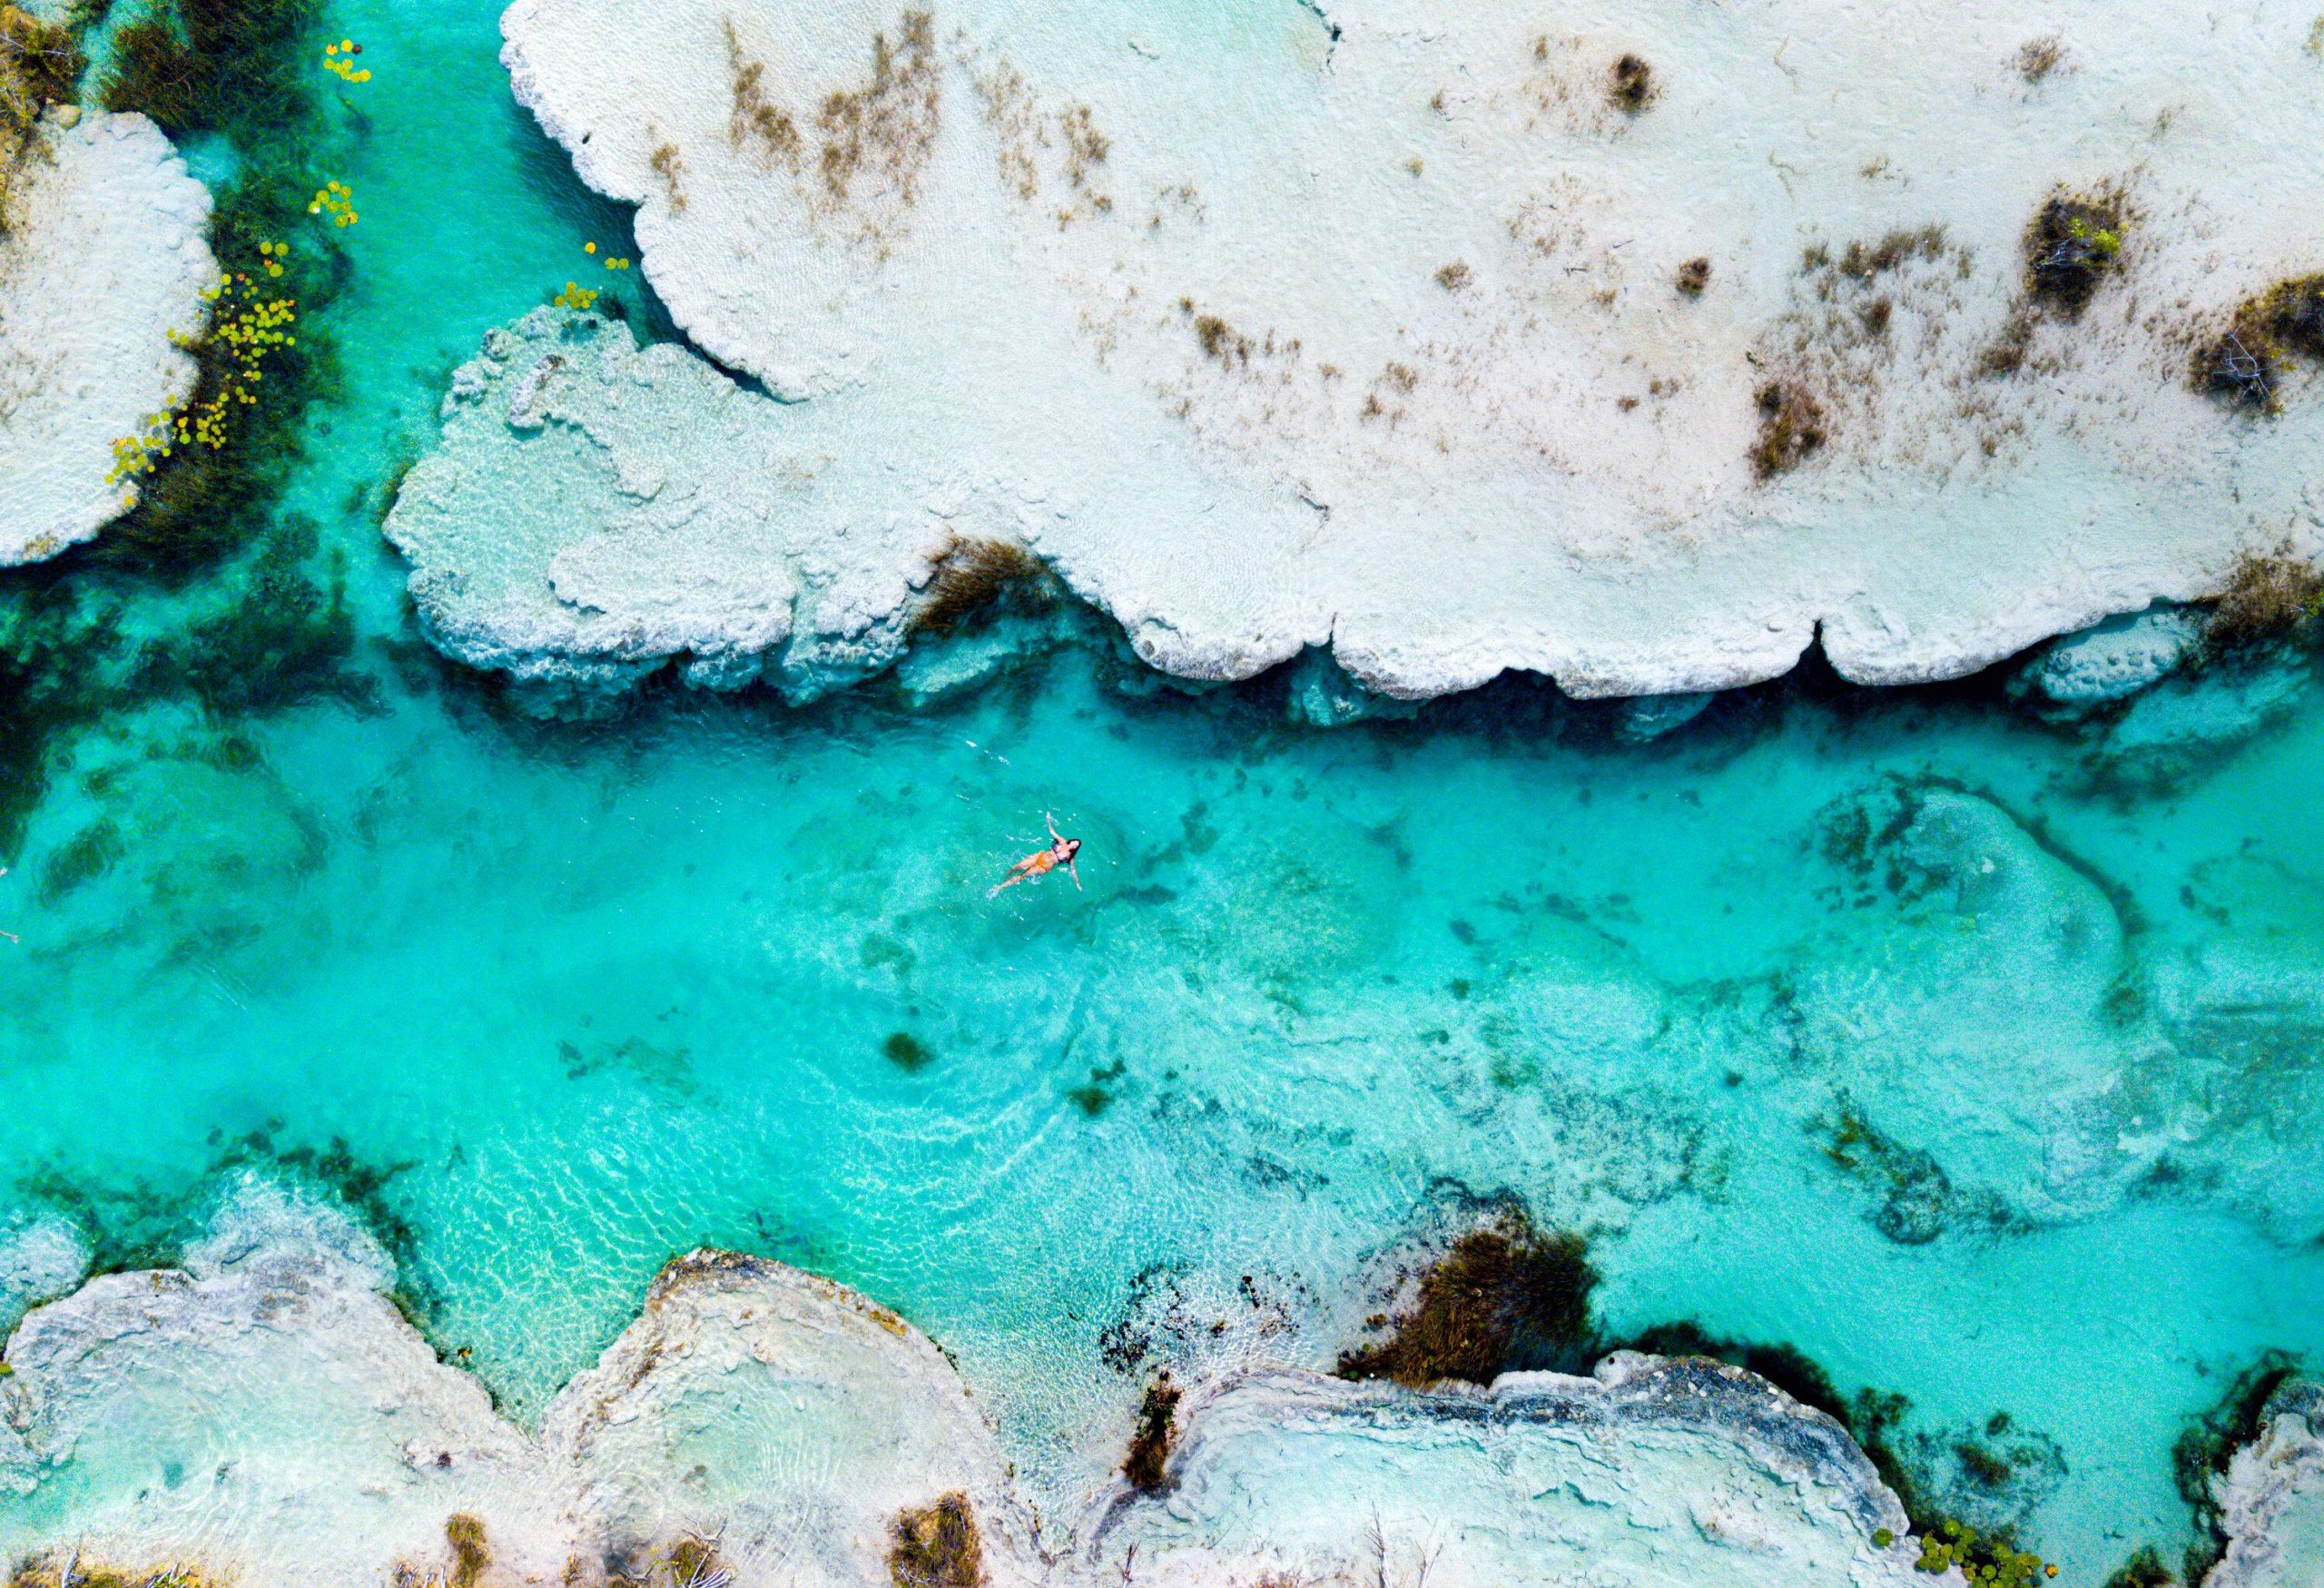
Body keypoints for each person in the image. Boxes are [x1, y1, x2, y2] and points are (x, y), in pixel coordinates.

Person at [988, 814, 1081, 898]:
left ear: (1075, 848)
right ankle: (1006, 878)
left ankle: (1000, 887)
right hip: (1039, 856)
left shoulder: (1070, 857)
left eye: (1076, 845)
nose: (1074, 844)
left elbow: (1073, 870)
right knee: (1016, 866)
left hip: (1044, 867)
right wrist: (1048, 820)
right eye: (1074, 842)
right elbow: (1052, 832)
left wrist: (1077, 883)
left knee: (1022, 875)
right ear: (1071, 841)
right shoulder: (1062, 841)